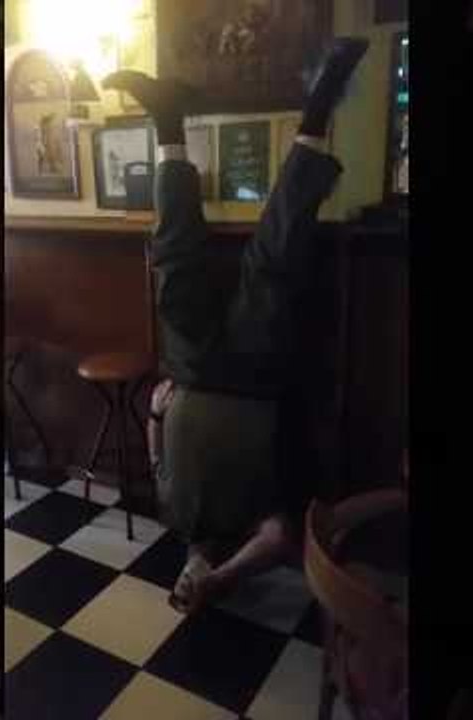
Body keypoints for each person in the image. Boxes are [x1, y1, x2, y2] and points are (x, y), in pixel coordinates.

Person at [104, 37, 369, 613]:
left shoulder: (176, 518)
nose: (186, 584)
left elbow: (156, 458)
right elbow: (284, 540)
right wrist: (223, 578)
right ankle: (322, 103)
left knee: (173, 262)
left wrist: (153, 412)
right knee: (278, 257)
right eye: (189, 591)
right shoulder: (257, 530)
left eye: (180, 585)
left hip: (192, 369)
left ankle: (168, 119)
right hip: (254, 375)